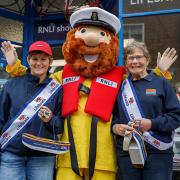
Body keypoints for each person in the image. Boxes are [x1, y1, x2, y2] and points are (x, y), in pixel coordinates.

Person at [1, 7, 178, 180]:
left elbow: (140, 79)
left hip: (103, 158)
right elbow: (38, 79)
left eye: (101, 35)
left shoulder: (118, 75)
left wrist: (160, 72)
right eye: (84, 31)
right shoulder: (64, 74)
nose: (92, 39)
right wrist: (15, 67)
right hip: (69, 155)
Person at [112, 40, 180, 180]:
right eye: (131, 58)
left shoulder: (161, 83)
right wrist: (115, 127)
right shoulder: (121, 87)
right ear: (125, 63)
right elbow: (113, 117)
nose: (135, 61)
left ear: (147, 60)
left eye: (139, 57)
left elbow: (176, 116)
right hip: (127, 153)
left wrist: (151, 123)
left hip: (158, 153)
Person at [0, 41, 63, 180]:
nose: (38, 63)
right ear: (28, 60)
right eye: (35, 59)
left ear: (50, 61)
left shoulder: (57, 89)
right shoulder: (12, 84)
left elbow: (60, 126)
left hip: (42, 156)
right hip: (11, 154)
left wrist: (50, 119)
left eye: (43, 59)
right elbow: (1, 118)